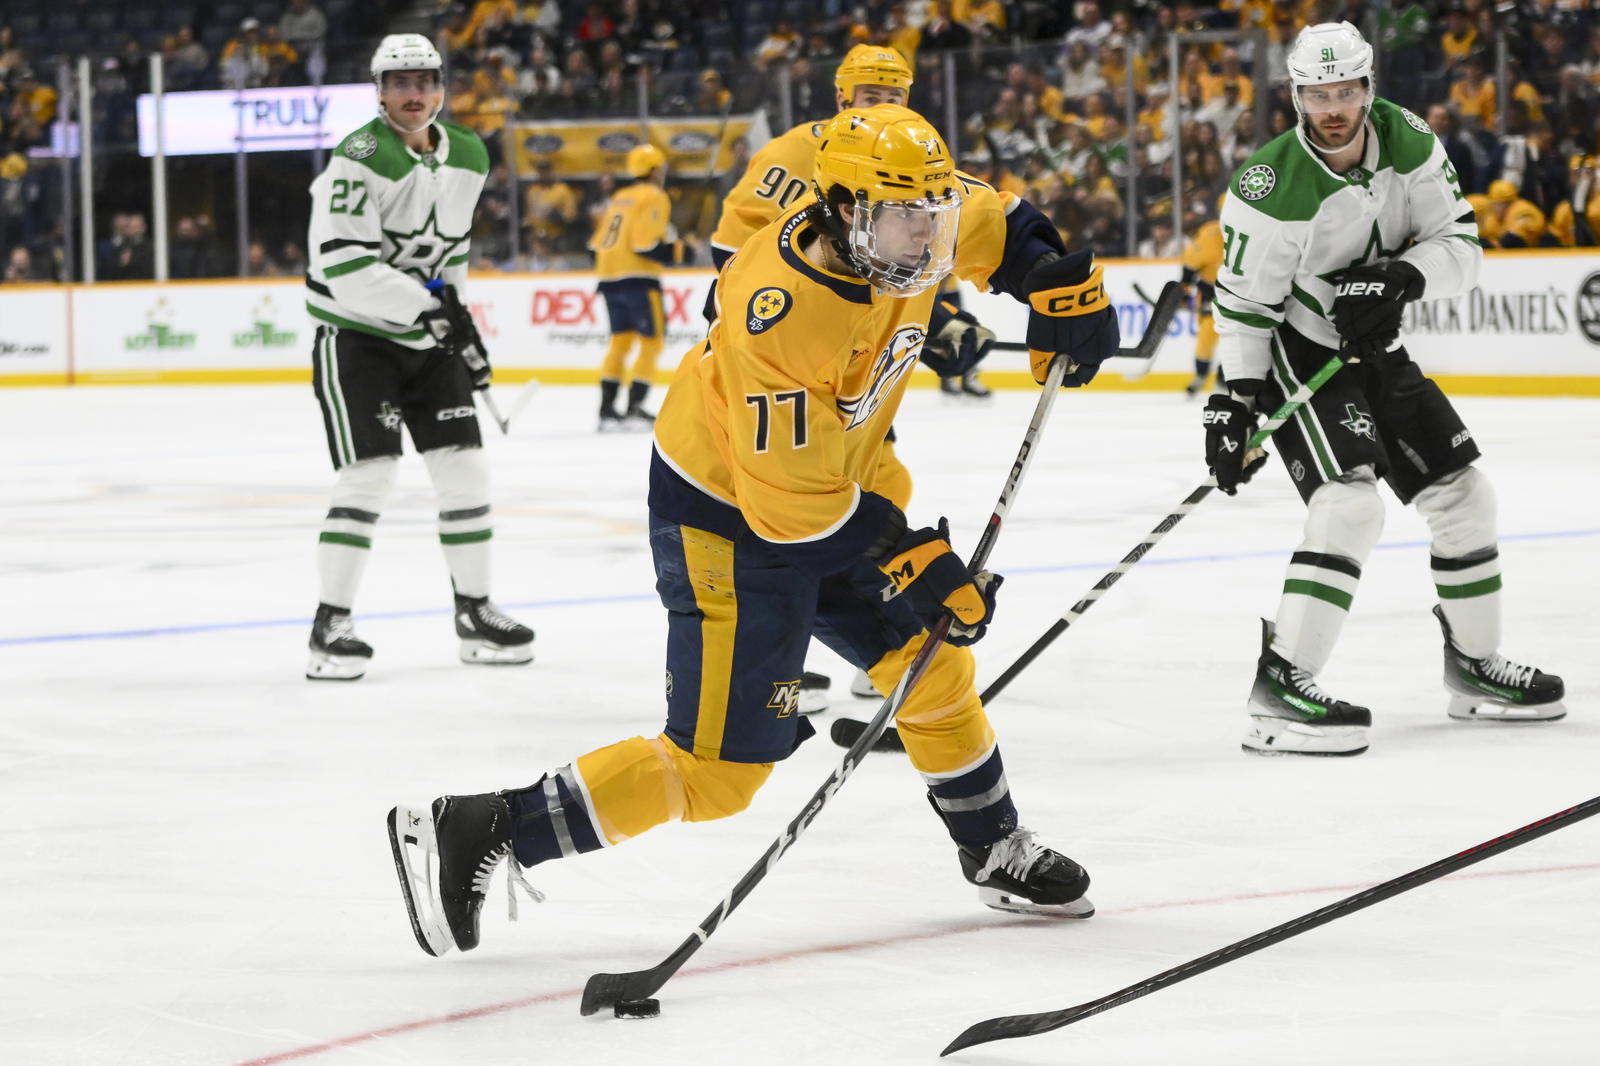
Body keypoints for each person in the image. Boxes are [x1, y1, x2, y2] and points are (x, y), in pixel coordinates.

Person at [387, 104, 1123, 956]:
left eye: (934, 220)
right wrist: (913, 560)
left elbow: (1006, 223)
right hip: (731, 516)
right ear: (843, 210)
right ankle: (478, 829)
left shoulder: (906, 216)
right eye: (903, 224)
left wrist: (1059, 284)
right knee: (718, 772)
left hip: (834, 490)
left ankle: (993, 847)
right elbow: (791, 510)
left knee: (934, 669)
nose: (925, 245)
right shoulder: (780, 312)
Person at [1203, 22, 1565, 758]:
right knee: (1348, 504)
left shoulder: (1409, 142)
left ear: (1368, 88)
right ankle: (1282, 686)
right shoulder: (1267, 186)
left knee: (1465, 497)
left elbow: (1461, 247)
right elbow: (1244, 309)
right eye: (1316, 94)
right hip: (1298, 351)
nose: (1331, 108)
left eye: (1344, 92)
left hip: (1375, 349)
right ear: (1295, 97)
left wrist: (1405, 275)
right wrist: (1237, 402)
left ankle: (1474, 668)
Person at [706, 45, 997, 709]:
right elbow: (734, 251)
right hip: (782, 356)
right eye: (870, 95)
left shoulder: (910, 160)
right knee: (798, 500)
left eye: (894, 94)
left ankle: (876, 642)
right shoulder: (791, 155)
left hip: (854, 366)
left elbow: (904, 263)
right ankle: (795, 651)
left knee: (879, 484)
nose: (884, 106)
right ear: (841, 98)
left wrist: (938, 320)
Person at [303, 33, 533, 681]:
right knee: (369, 475)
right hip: (355, 335)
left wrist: (462, 323)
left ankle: (475, 610)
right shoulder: (358, 158)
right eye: (400, 83)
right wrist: (431, 309)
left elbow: (450, 251)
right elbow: (343, 266)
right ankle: (330, 625)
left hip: (426, 335)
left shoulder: (466, 151)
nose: (414, 94)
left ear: (441, 87)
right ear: (378, 92)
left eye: (425, 81)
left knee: (466, 473)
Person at [588, 143, 691, 430]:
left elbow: (597, 243)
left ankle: (607, 410)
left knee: (620, 342)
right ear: (656, 170)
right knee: (652, 342)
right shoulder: (655, 195)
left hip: (608, 276)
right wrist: (681, 252)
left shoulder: (620, 197)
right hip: (638, 278)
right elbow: (644, 244)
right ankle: (635, 407)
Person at [1179, 195, 1225, 398]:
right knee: (1213, 336)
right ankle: (1209, 376)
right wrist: (1185, 291)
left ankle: (1216, 376)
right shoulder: (1212, 231)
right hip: (1218, 290)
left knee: (1218, 336)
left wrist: (1184, 291)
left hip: (1231, 291)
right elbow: (1191, 268)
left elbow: (1190, 268)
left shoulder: (1209, 232)